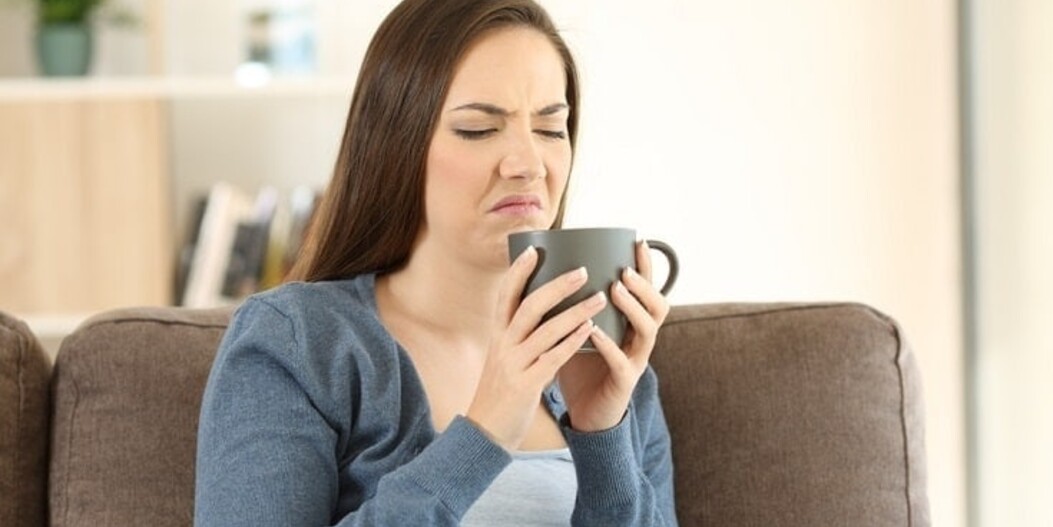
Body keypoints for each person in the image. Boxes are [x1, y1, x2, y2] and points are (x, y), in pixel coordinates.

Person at [194, 0, 677, 525]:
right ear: (395, 146)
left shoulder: (618, 373)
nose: (528, 164)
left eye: (550, 128)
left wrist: (603, 438)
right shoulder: (297, 343)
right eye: (478, 129)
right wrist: (486, 430)